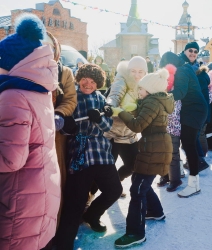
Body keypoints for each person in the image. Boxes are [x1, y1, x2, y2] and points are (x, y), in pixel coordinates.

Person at [0, 14, 60, 250]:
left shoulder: (13, 96)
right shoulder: (39, 90)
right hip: (39, 192)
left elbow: (10, 158)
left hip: (20, 201)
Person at [54, 64, 122, 250]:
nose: (88, 83)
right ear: (79, 78)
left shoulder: (101, 98)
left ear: (98, 84)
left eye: (93, 81)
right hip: (80, 155)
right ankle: (63, 244)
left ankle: (92, 215)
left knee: (114, 190)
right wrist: (69, 127)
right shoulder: (71, 97)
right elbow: (62, 124)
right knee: (74, 202)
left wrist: (99, 118)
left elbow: (108, 128)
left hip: (101, 154)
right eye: (85, 79)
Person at [113, 68, 174, 248]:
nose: (139, 92)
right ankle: (156, 211)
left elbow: (138, 125)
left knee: (138, 188)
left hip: (154, 149)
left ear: (150, 90)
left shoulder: (152, 103)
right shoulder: (156, 101)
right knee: (141, 182)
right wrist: (135, 109)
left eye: (141, 89)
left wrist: (121, 112)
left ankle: (135, 233)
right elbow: (147, 117)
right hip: (157, 147)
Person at [40, 31, 77, 250]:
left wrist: (59, 114)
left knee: (56, 184)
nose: (47, 51)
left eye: (50, 47)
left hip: (56, 138)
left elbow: (71, 99)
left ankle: (54, 231)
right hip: (30, 135)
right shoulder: (24, 68)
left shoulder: (65, 73)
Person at [160, 51, 208, 198]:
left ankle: (194, 185)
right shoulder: (185, 68)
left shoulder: (181, 71)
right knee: (189, 145)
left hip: (194, 111)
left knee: (189, 145)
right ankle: (192, 180)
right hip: (195, 109)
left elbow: (180, 93)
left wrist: (160, 96)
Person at [104, 56, 147, 196]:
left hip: (129, 134)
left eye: (140, 71)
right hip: (112, 133)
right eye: (133, 71)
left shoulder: (145, 85)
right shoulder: (122, 80)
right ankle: (88, 197)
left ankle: (115, 184)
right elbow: (115, 95)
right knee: (105, 168)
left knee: (133, 165)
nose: (136, 75)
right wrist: (109, 106)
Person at [179, 42, 210, 171]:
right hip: (183, 106)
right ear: (185, 51)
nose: (193, 53)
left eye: (195, 51)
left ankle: (197, 163)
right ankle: (197, 162)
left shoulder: (197, 69)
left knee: (191, 138)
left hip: (193, 109)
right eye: (190, 50)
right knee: (188, 139)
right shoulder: (180, 65)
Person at [157, 63, 184, 191]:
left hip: (173, 128)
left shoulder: (174, 93)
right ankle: (165, 176)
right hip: (162, 129)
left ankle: (175, 179)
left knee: (173, 154)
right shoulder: (160, 92)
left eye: (168, 80)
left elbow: (173, 112)